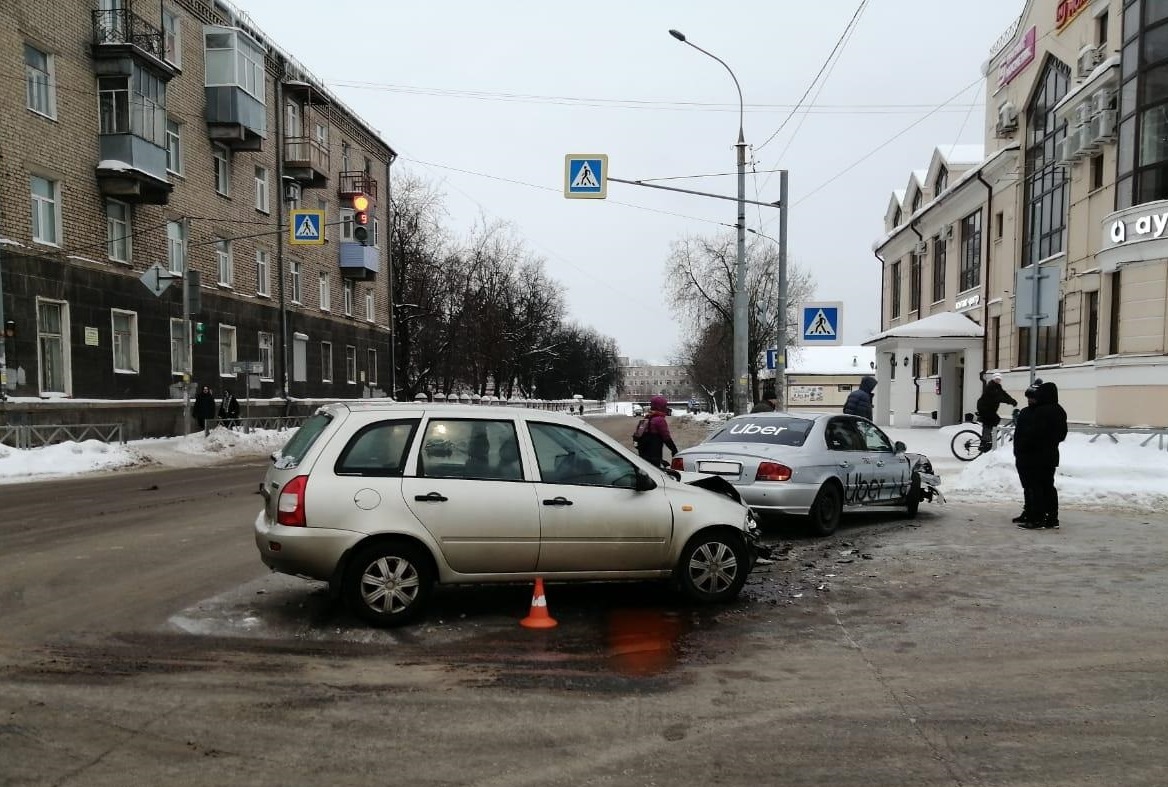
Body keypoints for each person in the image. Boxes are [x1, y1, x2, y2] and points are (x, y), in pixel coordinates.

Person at [1013, 379, 1067, 530]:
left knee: (1036, 487)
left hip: (1034, 456)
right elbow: (1062, 435)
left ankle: (1037, 518)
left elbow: (1033, 434)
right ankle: (1051, 517)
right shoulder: (1059, 410)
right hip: (1050, 456)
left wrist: (1023, 447)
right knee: (1048, 486)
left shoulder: (1041, 411)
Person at [976, 372, 1018, 451]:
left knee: (995, 420)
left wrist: (1012, 400)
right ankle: (985, 442)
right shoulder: (991, 387)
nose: (998, 380)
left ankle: (989, 437)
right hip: (984, 408)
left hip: (989, 409)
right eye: (996, 379)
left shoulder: (998, 387)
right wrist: (1010, 402)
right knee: (991, 421)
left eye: (999, 379)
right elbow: (998, 398)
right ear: (993, 379)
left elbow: (1004, 394)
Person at [635, 394, 678, 468]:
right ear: (661, 406)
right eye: (664, 405)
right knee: (654, 470)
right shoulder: (659, 420)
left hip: (643, 451)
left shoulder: (647, 417)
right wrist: (674, 450)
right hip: (654, 452)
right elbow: (666, 437)